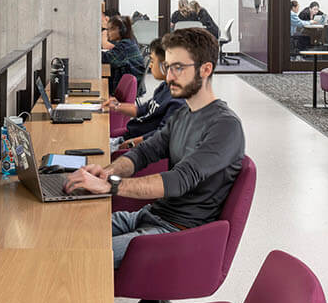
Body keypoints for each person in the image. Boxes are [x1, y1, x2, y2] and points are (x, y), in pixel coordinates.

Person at [65, 28, 245, 273]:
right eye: (168, 67)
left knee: (79, 258)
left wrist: (111, 185)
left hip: (177, 233)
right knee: (64, 233)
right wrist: (107, 172)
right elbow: (143, 153)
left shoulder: (225, 126)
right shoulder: (183, 114)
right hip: (148, 216)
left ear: (205, 69)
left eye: (178, 68)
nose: (169, 77)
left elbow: (179, 180)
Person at [105, 38, 184, 151]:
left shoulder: (177, 100)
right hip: (128, 136)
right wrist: (116, 106)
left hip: (138, 147)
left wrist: (131, 144)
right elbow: (142, 110)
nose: (150, 65)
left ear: (165, 65)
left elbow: (162, 135)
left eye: (152, 61)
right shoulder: (164, 87)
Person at [101, 15, 147, 94]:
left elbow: (107, 59)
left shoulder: (124, 46)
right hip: (129, 84)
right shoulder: (128, 42)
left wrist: (92, 53)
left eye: (111, 29)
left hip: (127, 89)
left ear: (121, 30)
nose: (108, 33)